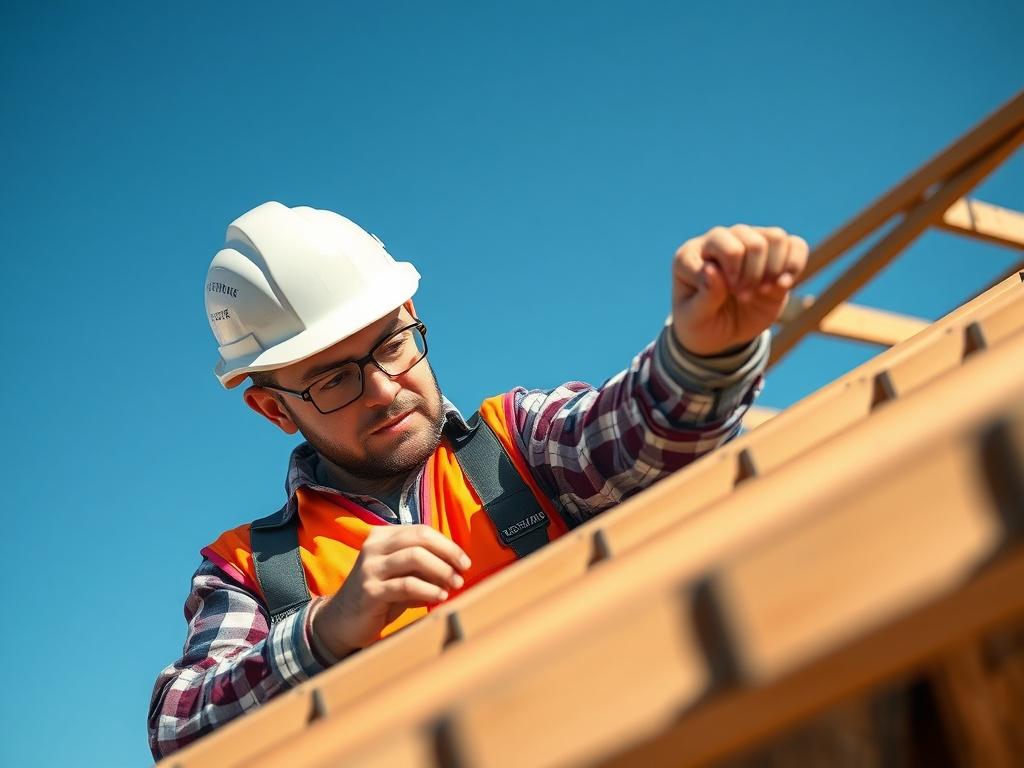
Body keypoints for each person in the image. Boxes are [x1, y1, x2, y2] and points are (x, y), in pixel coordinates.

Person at [148, 201, 807, 759]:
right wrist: (324, 631)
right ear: (272, 408)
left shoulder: (517, 444)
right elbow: (179, 730)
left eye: (392, 344)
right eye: (333, 378)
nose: (384, 388)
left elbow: (636, 433)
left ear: (412, 314)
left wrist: (703, 354)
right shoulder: (251, 570)